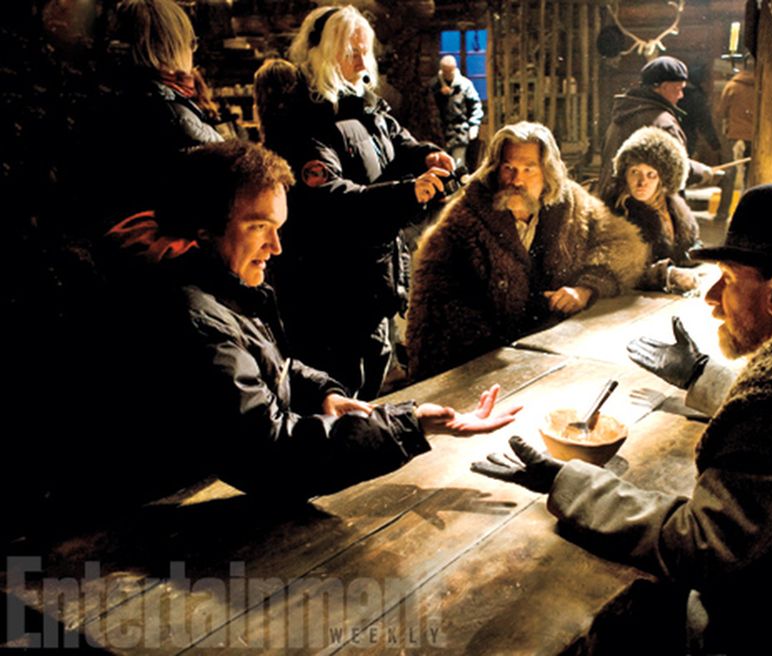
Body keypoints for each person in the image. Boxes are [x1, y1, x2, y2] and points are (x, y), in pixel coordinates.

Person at [474, 184, 772, 655]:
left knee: (617, 623)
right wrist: (702, 375)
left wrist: (569, 483)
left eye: (728, 279)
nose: (713, 296)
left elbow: (697, 546)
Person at [97, 140, 520, 507]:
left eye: (278, 227)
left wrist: (322, 394)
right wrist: (410, 424)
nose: (275, 246)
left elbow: (270, 365)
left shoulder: (219, 284)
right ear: (204, 229)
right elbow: (272, 455)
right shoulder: (190, 316)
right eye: (258, 226)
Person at [255, 5, 454, 399]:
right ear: (321, 54)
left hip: (371, 283)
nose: (363, 64)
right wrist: (407, 192)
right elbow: (328, 199)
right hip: (330, 293)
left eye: (366, 52)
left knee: (370, 383)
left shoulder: (363, 104)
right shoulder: (305, 118)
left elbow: (399, 143)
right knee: (338, 396)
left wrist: (426, 156)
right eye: (351, 53)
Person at [405, 121, 649, 381]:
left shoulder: (571, 204)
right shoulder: (464, 220)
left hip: (560, 353)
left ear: (547, 173)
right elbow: (435, 317)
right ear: (495, 169)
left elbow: (625, 244)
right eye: (508, 168)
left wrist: (586, 288)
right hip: (487, 367)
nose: (516, 180)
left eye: (528, 169)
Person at [73, 0, 227, 234]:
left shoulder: (100, 99)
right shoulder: (174, 117)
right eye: (191, 43)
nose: (193, 52)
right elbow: (231, 188)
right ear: (174, 46)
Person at [596, 56, 715, 198]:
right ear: (664, 87)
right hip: (644, 206)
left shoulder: (622, 113)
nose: (681, 95)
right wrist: (700, 171)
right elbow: (675, 170)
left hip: (612, 200)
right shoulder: (664, 123)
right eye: (679, 89)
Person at [602, 126, 701, 295]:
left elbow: (692, 246)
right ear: (625, 174)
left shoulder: (672, 208)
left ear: (662, 179)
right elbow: (621, 270)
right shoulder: (617, 211)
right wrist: (668, 275)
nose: (642, 182)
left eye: (651, 174)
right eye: (635, 172)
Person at [715, 56, 755, 221]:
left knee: (729, 175)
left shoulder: (733, 86)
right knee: (749, 178)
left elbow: (721, 111)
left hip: (734, 136)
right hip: (754, 138)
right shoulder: (763, 86)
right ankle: (746, 215)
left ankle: (722, 213)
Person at [429, 55, 484, 170]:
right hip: (439, 133)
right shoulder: (434, 85)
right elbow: (428, 107)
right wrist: (439, 94)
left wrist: (474, 124)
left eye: (450, 71)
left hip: (459, 131)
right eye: (445, 71)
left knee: (458, 164)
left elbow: (475, 105)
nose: (448, 74)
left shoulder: (465, 85)